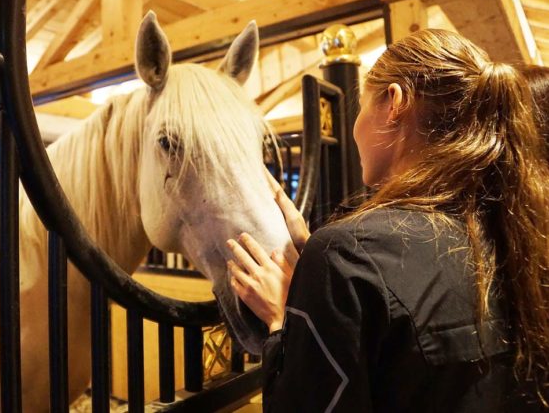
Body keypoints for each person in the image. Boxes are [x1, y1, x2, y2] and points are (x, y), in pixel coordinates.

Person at [227, 29, 549, 412]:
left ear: (394, 102)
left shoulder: (347, 254)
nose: (356, 126)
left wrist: (284, 323)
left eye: (361, 106)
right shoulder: (519, 230)